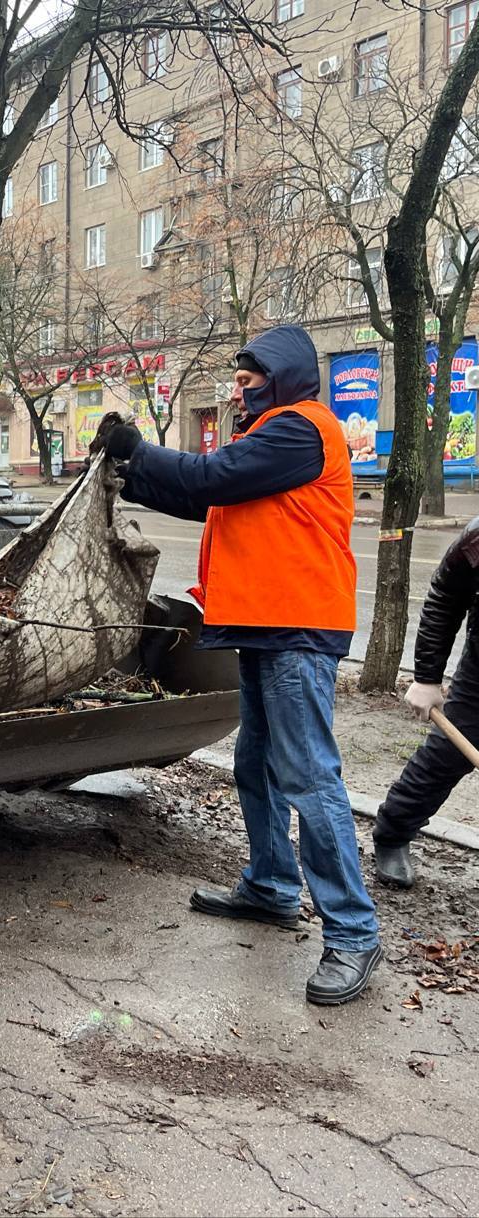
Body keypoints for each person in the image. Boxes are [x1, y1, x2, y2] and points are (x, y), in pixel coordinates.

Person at [103, 323, 382, 1005]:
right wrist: (126, 468)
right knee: (256, 759)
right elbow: (204, 496)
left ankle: (353, 931)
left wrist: (139, 448)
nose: (236, 388)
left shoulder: (302, 429)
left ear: (281, 375)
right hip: (267, 624)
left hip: (296, 627)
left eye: (246, 376)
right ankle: (270, 885)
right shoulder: (270, 436)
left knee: (308, 774)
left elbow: (214, 477)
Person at [373, 520, 479, 886]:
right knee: (450, 754)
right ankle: (392, 833)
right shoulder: (477, 543)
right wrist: (427, 678)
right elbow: (444, 602)